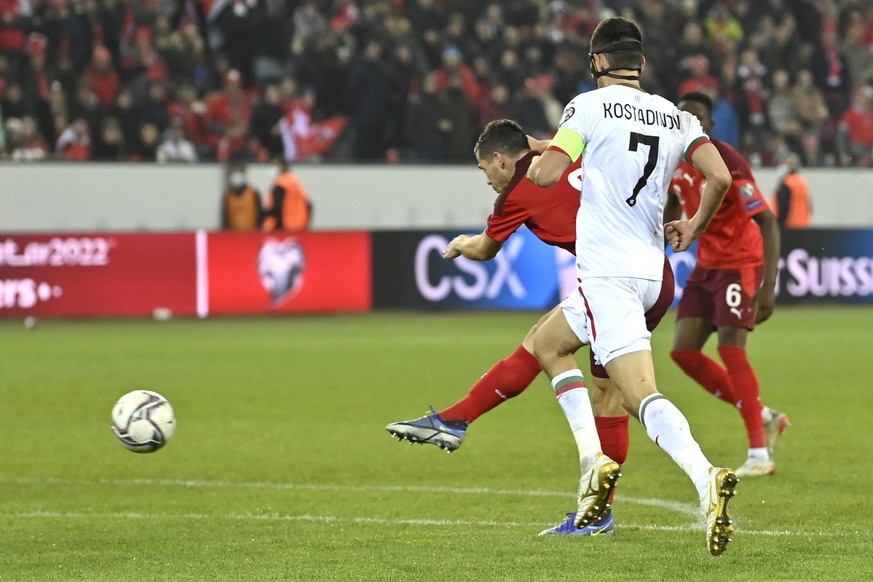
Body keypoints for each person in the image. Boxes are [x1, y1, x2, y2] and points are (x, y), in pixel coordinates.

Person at [387, 119, 675, 536]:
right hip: (649, 269)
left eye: (485, 169)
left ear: (501, 159)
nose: (488, 180)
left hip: (614, 279)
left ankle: (693, 471)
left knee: (598, 378)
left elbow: (485, 249)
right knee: (589, 377)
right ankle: (457, 421)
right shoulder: (563, 153)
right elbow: (548, 145)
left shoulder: (518, 192)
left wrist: (462, 242)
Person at [525, 17, 737, 556]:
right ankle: (592, 500)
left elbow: (549, 176)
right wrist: (693, 225)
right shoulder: (676, 115)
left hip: (609, 277)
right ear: (639, 63)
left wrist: (533, 162)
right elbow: (721, 178)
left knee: (638, 395)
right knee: (548, 344)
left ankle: (704, 474)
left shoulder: (587, 106)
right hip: (653, 274)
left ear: (597, 61)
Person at [666, 91, 789, 479]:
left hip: (740, 262)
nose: (692, 125)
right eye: (686, 118)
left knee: (730, 349)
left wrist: (769, 285)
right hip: (707, 264)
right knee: (683, 352)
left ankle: (758, 455)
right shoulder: (673, 160)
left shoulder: (729, 162)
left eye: (700, 120)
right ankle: (765, 415)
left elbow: (767, 221)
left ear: (710, 126)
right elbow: (671, 202)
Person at [262, 159, 311, 232]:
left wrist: (264, 216)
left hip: (284, 227)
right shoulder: (296, 185)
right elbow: (309, 205)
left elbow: (277, 208)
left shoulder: (280, 186)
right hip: (300, 226)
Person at [770, 153, 812, 228]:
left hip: (789, 226)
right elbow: (809, 207)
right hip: (804, 225)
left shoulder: (787, 183)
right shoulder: (802, 182)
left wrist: (779, 225)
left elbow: (783, 208)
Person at [220, 158, 263, 231]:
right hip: (233, 236)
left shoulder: (253, 193)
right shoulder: (228, 195)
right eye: (234, 172)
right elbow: (225, 219)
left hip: (252, 235)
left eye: (239, 172)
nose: (237, 175)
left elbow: (260, 216)